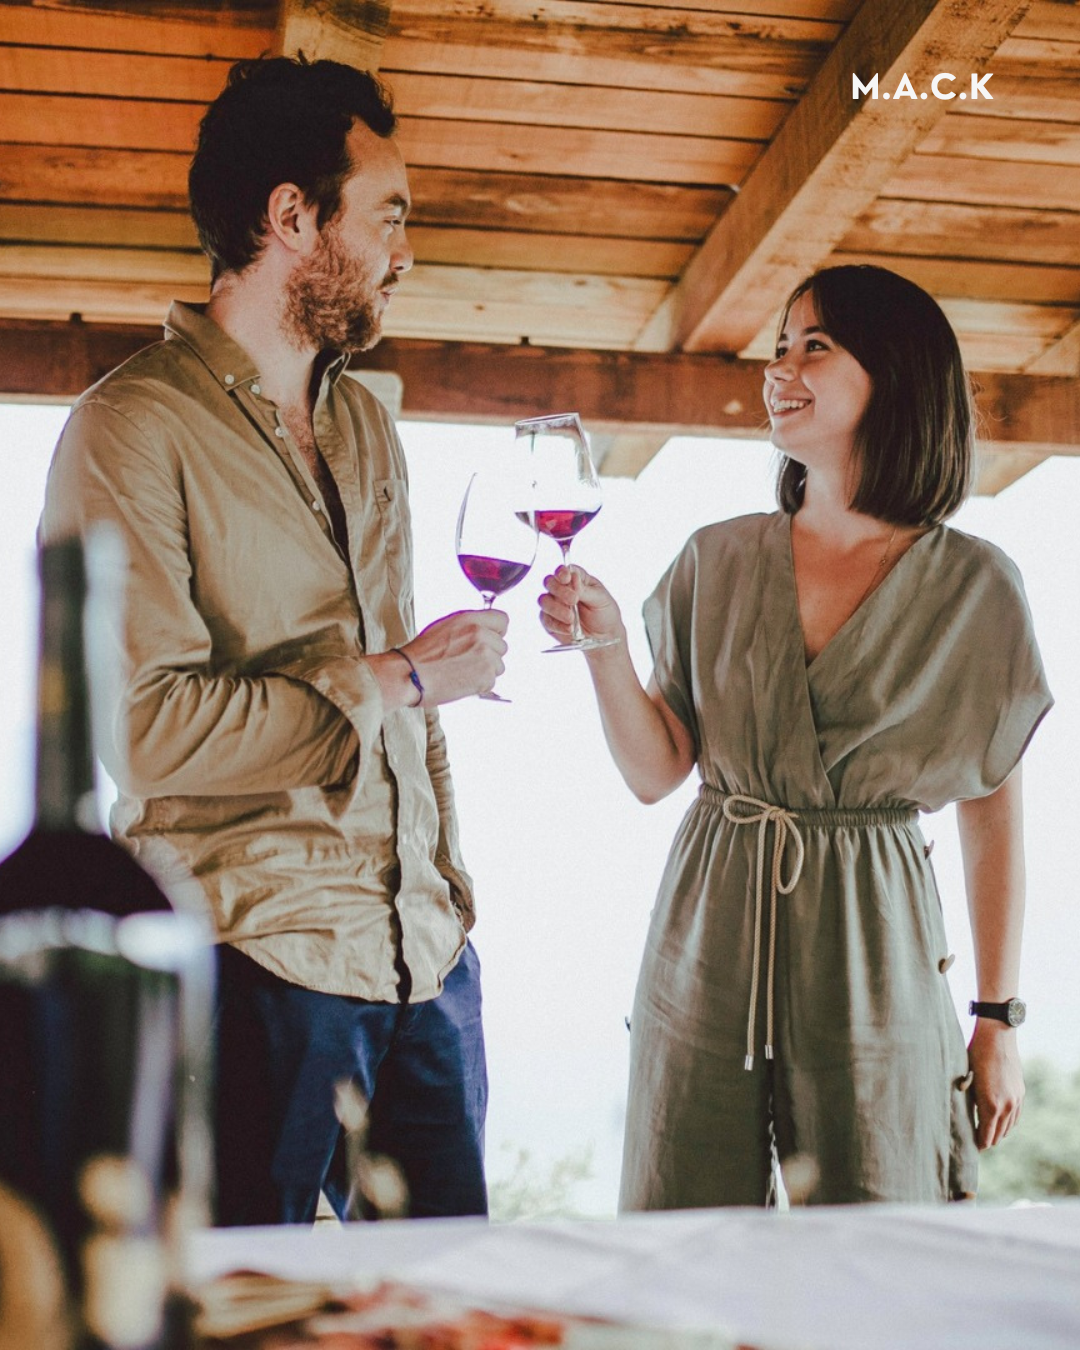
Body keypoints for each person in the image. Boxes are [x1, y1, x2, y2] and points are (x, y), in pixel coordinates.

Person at [39, 56, 509, 1225]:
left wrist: (447, 891)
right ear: (293, 217)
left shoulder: (365, 426)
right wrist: (395, 675)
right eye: (390, 215)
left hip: (427, 963)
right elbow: (144, 735)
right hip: (252, 969)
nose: (408, 251)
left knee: (456, 1308)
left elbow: (412, 698)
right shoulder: (128, 429)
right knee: (246, 1311)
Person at [539, 264, 1052, 1208]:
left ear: (896, 374)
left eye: (815, 344)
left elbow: (995, 813)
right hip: (709, 931)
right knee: (682, 1229)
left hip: (875, 940)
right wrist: (605, 650)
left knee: (880, 1233)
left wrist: (996, 1019)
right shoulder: (716, 556)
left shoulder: (976, 585)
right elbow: (658, 773)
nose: (782, 366)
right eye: (780, 344)